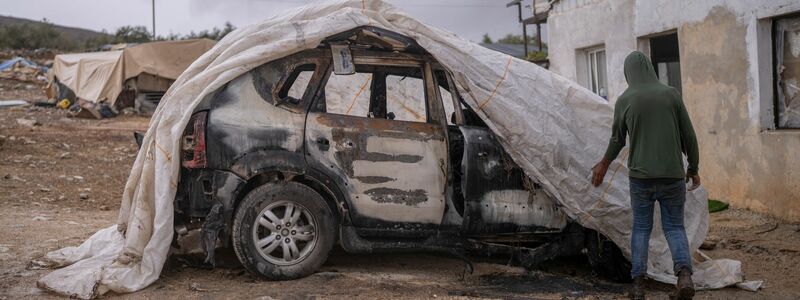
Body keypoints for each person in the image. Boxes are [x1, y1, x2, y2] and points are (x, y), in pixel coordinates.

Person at [591, 51, 700, 300]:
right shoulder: (671, 94)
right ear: (650, 69)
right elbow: (689, 136)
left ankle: (638, 286)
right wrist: (693, 167)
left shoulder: (625, 99)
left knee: (641, 228)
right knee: (674, 227)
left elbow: (617, 139)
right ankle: (684, 277)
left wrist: (603, 164)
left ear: (629, 73)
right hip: (673, 176)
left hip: (641, 179)